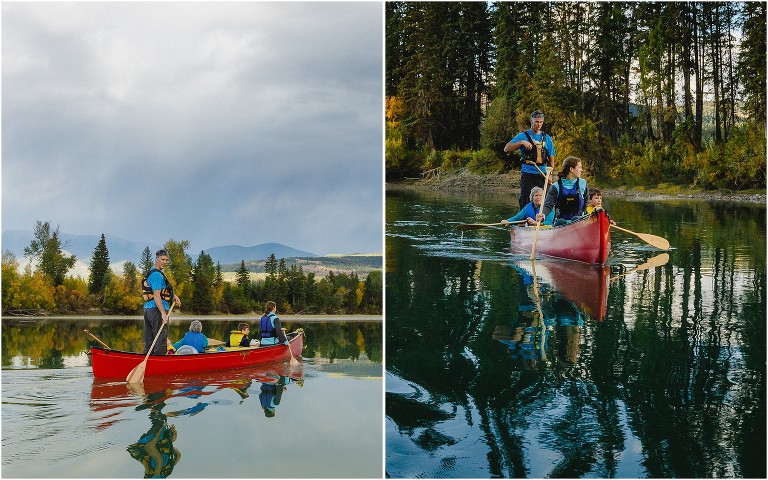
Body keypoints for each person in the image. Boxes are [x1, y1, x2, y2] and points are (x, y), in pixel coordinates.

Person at [504, 110, 556, 210]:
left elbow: (551, 159)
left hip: (542, 174)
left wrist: (550, 175)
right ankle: (524, 220)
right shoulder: (523, 136)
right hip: (528, 173)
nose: (539, 124)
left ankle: (540, 220)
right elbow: (506, 148)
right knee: (526, 199)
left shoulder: (547, 138)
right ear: (531, 121)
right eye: (537, 121)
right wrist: (521, 142)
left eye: (541, 122)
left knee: (542, 199)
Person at [141, 249, 181, 355]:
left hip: (148, 310)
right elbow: (157, 295)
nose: (165, 262)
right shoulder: (157, 275)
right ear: (156, 259)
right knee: (160, 341)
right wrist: (163, 313)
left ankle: (148, 362)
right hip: (157, 310)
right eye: (162, 259)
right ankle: (159, 364)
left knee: (150, 341)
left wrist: (173, 296)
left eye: (167, 260)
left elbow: (161, 290)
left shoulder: (152, 272)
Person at [538, 156, 589, 226]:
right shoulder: (555, 186)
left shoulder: (583, 183)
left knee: (576, 219)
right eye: (580, 167)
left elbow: (586, 201)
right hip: (561, 223)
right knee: (561, 222)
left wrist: (583, 213)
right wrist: (542, 215)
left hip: (579, 221)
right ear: (571, 169)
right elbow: (548, 205)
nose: (582, 170)